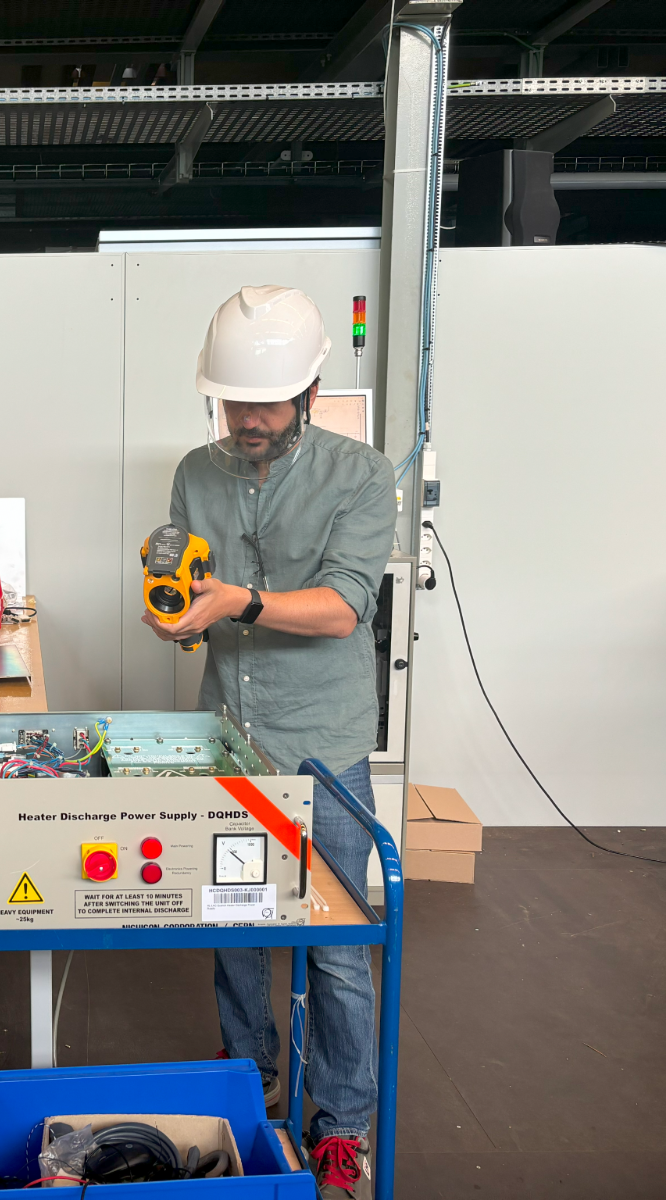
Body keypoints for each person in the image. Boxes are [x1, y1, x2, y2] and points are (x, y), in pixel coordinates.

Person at [140, 285, 396, 1200]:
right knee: (236, 924)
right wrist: (178, 616)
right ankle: (249, 1078)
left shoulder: (363, 476)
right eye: (233, 402)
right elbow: (189, 591)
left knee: (332, 945)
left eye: (266, 402)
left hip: (323, 744)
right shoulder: (194, 473)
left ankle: (342, 1128)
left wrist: (238, 603)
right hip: (230, 743)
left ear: (311, 391)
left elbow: (342, 609)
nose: (247, 419)